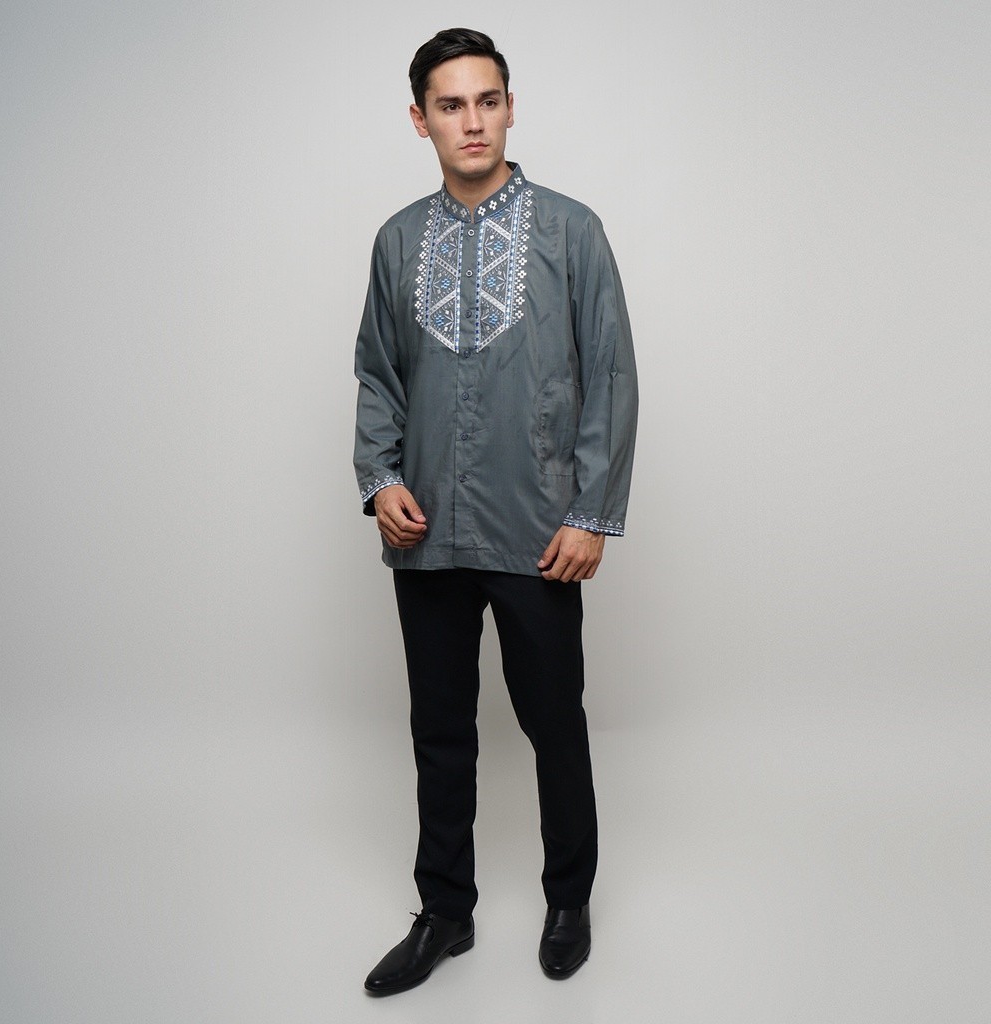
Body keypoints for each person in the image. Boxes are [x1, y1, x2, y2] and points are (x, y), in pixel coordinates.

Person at [353, 27, 638, 995]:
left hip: (539, 531)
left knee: (554, 722)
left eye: (486, 100)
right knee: (439, 731)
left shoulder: (571, 231)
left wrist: (590, 513)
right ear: (420, 119)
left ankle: (569, 900)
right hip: (425, 530)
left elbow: (610, 374)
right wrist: (380, 478)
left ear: (511, 108)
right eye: (450, 105)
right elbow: (378, 375)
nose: (471, 121)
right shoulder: (398, 241)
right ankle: (445, 912)